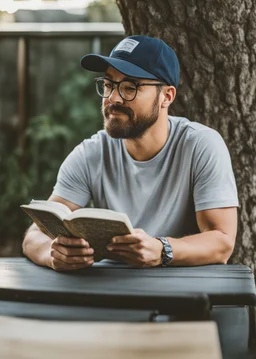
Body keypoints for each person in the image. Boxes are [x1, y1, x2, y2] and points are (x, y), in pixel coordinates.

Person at [22, 35, 238, 271]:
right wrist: (52, 254)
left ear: (167, 96)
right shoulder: (91, 153)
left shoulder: (201, 145)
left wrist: (162, 249)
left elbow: (222, 241)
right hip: (109, 289)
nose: (113, 98)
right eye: (108, 85)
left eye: (129, 87)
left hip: (184, 290)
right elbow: (35, 233)